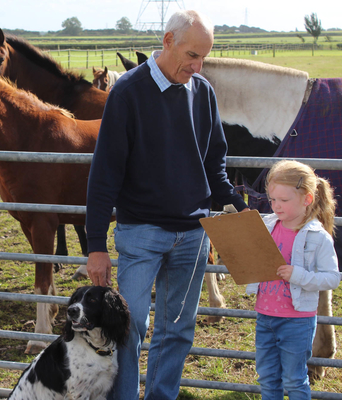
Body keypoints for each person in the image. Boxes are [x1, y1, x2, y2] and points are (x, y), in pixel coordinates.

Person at [85, 9, 249, 400]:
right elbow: (104, 174)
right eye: (192, 55)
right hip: (141, 233)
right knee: (130, 326)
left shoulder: (203, 93)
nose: (198, 65)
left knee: (177, 329)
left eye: (204, 57)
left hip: (193, 236)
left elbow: (214, 165)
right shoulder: (127, 93)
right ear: (168, 42)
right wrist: (95, 246)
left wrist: (236, 204)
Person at [246, 160, 340, 400]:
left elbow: (332, 278)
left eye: (284, 201)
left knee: (295, 380)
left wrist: (297, 275)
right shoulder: (266, 225)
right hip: (265, 316)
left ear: (307, 199)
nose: (276, 206)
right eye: (272, 199)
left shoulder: (317, 236)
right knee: (267, 377)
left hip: (297, 320)